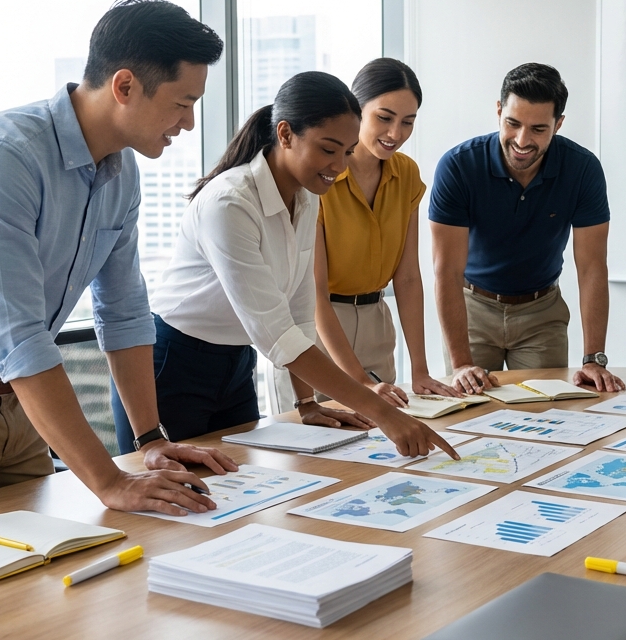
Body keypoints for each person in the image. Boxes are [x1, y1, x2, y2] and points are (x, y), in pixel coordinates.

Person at [0, 0, 237, 520]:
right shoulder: (1, 158)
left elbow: (124, 310)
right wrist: (107, 481)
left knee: (39, 575)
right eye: (182, 102)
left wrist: (150, 438)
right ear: (125, 86)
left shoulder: (120, 173)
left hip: (18, 404)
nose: (189, 123)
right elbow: (17, 336)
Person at [120, 70, 457, 460]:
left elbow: (298, 314)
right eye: (328, 149)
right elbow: (276, 333)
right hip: (174, 363)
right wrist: (383, 413)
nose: (340, 166)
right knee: (181, 503)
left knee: (240, 481)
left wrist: (308, 404)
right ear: (285, 135)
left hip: (235, 361)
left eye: (347, 152)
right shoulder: (230, 203)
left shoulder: (308, 196)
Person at [429, 63, 622, 395]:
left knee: (547, 414)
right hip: (474, 309)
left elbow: (592, 267)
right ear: (499, 110)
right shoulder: (458, 166)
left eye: (538, 129)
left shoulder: (583, 169)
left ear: (558, 124)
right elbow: (446, 271)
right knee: (471, 410)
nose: (522, 140)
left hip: (541, 314)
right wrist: (461, 363)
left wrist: (594, 359)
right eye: (512, 124)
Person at [313, 58, 459, 407]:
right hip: (318, 329)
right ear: (356, 108)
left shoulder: (406, 173)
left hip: (377, 323)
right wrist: (360, 381)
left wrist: (420, 371)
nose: (396, 133)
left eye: (408, 122)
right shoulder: (321, 174)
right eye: (384, 117)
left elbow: (407, 278)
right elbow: (313, 292)